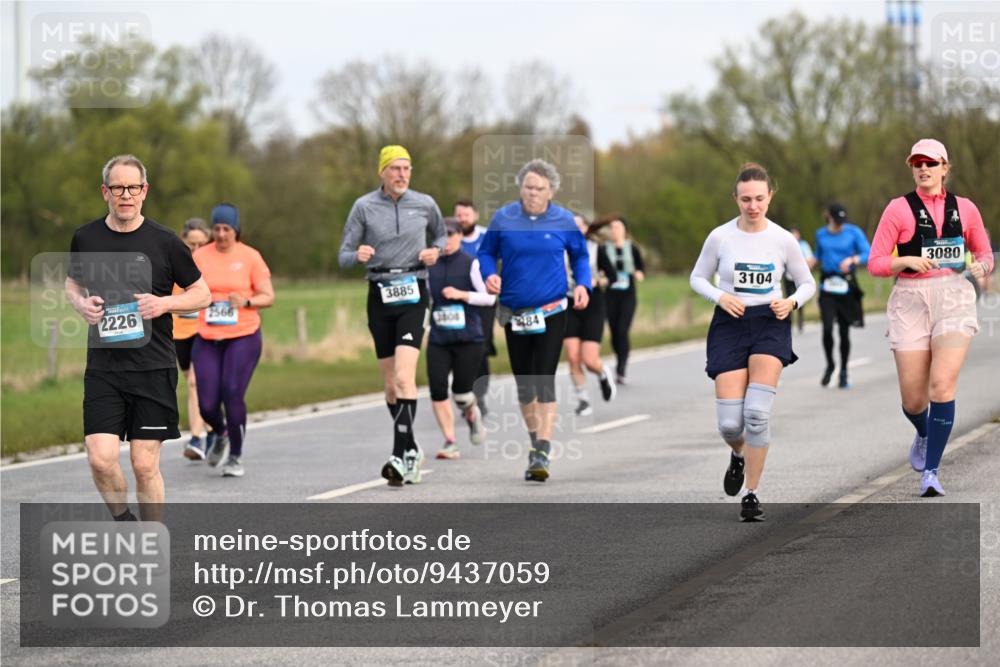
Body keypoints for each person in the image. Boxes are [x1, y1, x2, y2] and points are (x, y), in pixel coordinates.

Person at [66, 154, 210, 521]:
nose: (125, 194)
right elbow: (72, 283)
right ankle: (126, 524)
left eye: (133, 187)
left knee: (144, 465)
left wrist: (164, 304)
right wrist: (81, 305)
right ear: (105, 192)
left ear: (144, 191)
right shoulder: (86, 236)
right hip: (104, 369)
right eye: (117, 187)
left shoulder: (166, 242)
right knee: (100, 460)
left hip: (152, 367)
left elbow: (202, 294)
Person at [690, 163, 816, 521]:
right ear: (736, 199)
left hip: (770, 323)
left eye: (759, 198)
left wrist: (791, 302)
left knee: (757, 415)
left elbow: (807, 283)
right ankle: (738, 454)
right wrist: (719, 296)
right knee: (731, 425)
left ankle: (751, 493)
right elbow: (697, 277)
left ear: (770, 196)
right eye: (746, 199)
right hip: (729, 323)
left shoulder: (783, 239)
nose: (753, 206)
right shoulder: (720, 237)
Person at [868, 138, 993, 497]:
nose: (924, 169)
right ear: (911, 168)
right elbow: (875, 262)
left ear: (945, 168)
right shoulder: (898, 209)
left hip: (953, 296)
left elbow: (985, 254)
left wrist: (980, 265)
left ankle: (932, 472)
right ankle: (924, 432)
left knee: (942, 384)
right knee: (913, 400)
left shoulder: (965, 209)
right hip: (910, 299)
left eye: (931, 163)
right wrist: (903, 261)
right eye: (917, 163)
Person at [338, 145, 446, 487]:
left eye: (407, 168)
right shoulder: (364, 206)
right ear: (382, 172)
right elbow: (342, 255)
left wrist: (436, 251)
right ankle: (412, 447)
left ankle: (400, 455)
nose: (402, 175)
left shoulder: (425, 203)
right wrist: (357, 255)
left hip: (415, 291)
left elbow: (442, 235)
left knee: (403, 377)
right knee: (389, 385)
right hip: (380, 294)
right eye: (395, 169)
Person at [479, 159, 591, 482]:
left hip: (552, 309)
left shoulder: (563, 219)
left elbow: (580, 255)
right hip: (515, 311)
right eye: (528, 187)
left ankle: (543, 447)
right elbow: (486, 253)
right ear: (521, 188)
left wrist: (582, 284)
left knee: (543, 378)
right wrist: (489, 275)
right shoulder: (503, 218)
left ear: (550, 191)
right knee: (524, 385)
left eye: (539, 189)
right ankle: (534, 442)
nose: (532, 193)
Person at [192, 204, 274, 477]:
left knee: (232, 391)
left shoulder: (250, 257)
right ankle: (221, 432)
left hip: (243, 335)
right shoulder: (200, 256)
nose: (221, 234)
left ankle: (235, 456)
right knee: (206, 404)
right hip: (207, 335)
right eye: (216, 228)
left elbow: (268, 296)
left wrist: (247, 301)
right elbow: (185, 288)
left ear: (236, 230)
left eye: (227, 228)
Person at [427, 218, 496, 459]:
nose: (446, 241)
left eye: (451, 235)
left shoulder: (471, 264)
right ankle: (450, 441)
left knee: (462, 394)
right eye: (441, 236)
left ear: (459, 236)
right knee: (437, 389)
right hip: (438, 338)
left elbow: (489, 298)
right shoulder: (428, 265)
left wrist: (461, 294)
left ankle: (472, 414)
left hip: (469, 338)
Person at [563, 213, 616, 416]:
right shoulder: (560, 249)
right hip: (569, 304)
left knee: (589, 359)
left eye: (579, 226)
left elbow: (612, 276)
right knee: (573, 356)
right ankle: (583, 400)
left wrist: (595, 282)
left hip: (593, 304)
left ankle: (602, 373)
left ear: (586, 228)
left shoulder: (596, 249)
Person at [814, 203, 871, 388]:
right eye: (836, 220)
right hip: (827, 286)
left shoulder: (854, 232)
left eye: (842, 221)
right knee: (828, 329)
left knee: (844, 332)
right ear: (828, 216)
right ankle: (830, 364)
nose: (839, 225)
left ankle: (844, 370)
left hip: (846, 286)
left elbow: (868, 253)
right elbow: (818, 255)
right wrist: (807, 262)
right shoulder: (821, 234)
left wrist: (853, 259)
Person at [173, 218, 212, 460]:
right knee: (195, 385)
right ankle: (218, 429)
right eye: (191, 244)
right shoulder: (173, 263)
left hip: (205, 331)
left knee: (195, 383)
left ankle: (197, 439)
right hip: (179, 332)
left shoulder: (212, 266)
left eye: (201, 244)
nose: (196, 250)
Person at [455, 199, 496, 417]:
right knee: (460, 348)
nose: (462, 219)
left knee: (481, 349)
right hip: (459, 302)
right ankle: (465, 393)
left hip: (484, 301)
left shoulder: (486, 237)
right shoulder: (452, 239)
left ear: (475, 215)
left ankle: (479, 396)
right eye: (459, 215)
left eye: (466, 215)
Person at [601, 217, 645, 385]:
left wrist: (638, 273)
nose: (614, 230)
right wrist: (602, 277)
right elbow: (599, 269)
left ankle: (621, 368)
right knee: (613, 334)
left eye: (618, 227)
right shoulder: (604, 249)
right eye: (612, 228)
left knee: (622, 330)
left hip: (627, 295)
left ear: (624, 230)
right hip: (610, 295)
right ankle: (619, 358)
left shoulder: (632, 248)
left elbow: (641, 268)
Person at [781, 227, 816, 333]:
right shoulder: (785, 245)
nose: (794, 236)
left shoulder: (803, 245)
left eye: (796, 234)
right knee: (788, 298)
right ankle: (789, 322)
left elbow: (810, 259)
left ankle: (800, 322)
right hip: (788, 277)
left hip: (799, 277)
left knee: (799, 299)